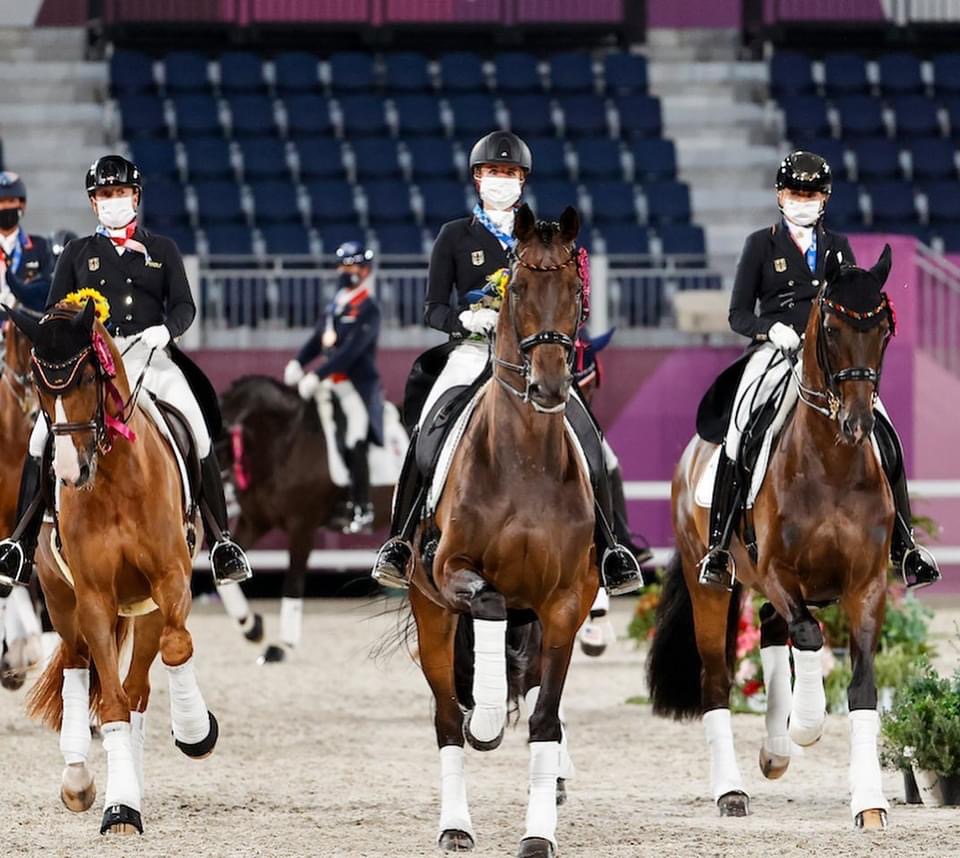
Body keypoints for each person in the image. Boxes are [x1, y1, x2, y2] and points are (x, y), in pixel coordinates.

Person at [371, 130, 643, 595]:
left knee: (593, 440)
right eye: (494, 171)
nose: (502, 179)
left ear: (523, 181)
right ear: (478, 177)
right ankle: (399, 542)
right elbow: (432, 308)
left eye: (511, 172)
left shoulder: (542, 238)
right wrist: (465, 319)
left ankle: (614, 548)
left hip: (530, 355)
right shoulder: (455, 236)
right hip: (473, 349)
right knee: (428, 429)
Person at [0, 155, 252, 596]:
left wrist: (166, 330)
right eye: (104, 195)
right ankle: (20, 544)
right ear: (93, 203)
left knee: (197, 428)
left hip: (151, 358)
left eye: (119, 193)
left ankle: (221, 541)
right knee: (41, 438)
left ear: (134, 197)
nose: (112, 200)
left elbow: (184, 305)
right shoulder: (77, 253)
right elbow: (56, 311)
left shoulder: (162, 250)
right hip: (95, 365)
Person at [697, 150, 940, 591]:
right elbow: (738, 314)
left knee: (885, 431)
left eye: (811, 195)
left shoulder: (838, 246)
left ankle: (905, 546)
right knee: (740, 427)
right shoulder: (760, 244)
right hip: (774, 350)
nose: (802, 201)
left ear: (824, 199)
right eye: (796, 193)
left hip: (828, 359)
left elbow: (851, 300)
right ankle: (718, 547)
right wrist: (770, 329)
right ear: (780, 196)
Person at [283, 241, 384, 535]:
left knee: (355, 437)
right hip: (330, 382)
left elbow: (351, 352)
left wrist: (316, 374)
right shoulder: (336, 303)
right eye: (343, 265)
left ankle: (362, 506)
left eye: (353, 266)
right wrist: (299, 362)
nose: (346, 271)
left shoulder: (369, 308)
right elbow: (319, 339)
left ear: (365, 270)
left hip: (355, 386)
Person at [0, 172, 55, 314]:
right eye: (1, 201)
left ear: (22, 205)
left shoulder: (40, 247)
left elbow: (49, 290)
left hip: (26, 321)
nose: (5, 206)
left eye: (11, 201)